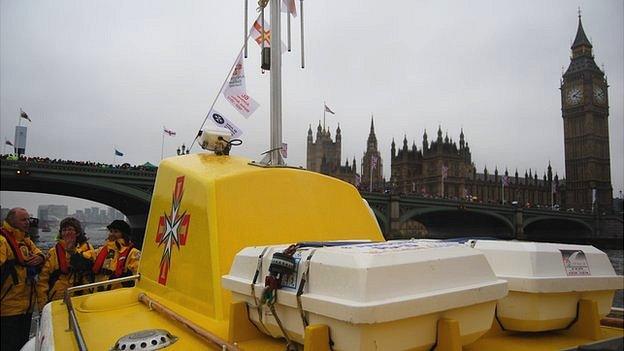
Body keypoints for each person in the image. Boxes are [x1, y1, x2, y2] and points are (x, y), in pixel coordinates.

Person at [0, 208, 44, 351]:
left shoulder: (25, 240)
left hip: (26, 307)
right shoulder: (2, 241)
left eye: (28, 219)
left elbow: (38, 252)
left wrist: (40, 257)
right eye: (23, 220)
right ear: (12, 220)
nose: (28, 223)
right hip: (7, 308)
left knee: (21, 344)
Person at [36, 217, 95, 310]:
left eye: (70, 229)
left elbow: (88, 266)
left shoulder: (87, 249)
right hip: (58, 300)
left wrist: (72, 252)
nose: (67, 232)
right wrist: (42, 306)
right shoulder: (53, 252)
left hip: (82, 300)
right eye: (64, 230)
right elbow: (43, 280)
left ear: (78, 232)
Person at [93, 220, 140, 290]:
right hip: (99, 291)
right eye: (111, 231)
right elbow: (90, 256)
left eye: (116, 231)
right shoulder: (102, 250)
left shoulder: (133, 253)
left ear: (124, 234)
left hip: (117, 293)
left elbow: (137, 274)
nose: (112, 234)